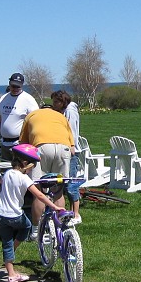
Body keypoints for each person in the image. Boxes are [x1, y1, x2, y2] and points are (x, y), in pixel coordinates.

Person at [0, 143, 65, 282]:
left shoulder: (7, 174)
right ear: (25, 163)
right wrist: (54, 207)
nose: (33, 168)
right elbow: (40, 196)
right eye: (33, 165)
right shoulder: (24, 178)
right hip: (14, 215)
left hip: (0, 215)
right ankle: (13, 249)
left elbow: (1, 184)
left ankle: (11, 274)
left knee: (6, 242)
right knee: (27, 226)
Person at [19, 91, 77, 223]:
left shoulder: (31, 115)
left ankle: (35, 230)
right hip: (64, 148)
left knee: (38, 192)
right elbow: (72, 147)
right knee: (58, 190)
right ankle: (60, 225)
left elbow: (23, 144)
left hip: (42, 147)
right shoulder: (61, 117)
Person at [0, 72, 39, 159]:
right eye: (13, 86)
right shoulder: (4, 98)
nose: (15, 88)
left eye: (18, 86)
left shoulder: (28, 100)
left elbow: (36, 122)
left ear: (22, 85)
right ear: (9, 84)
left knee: (19, 171)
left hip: (20, 144)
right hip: (4, 144)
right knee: (6, 171)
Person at [58, 90, 84, 222]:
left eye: (57, 101)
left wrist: (70, 146)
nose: (54, 104)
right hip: (63, 150)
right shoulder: (64, 111)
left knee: (71, 184)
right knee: (63, 183)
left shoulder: (70, 111)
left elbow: (71, 131)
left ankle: (76, 214)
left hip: (70, 151)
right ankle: (69, 212)